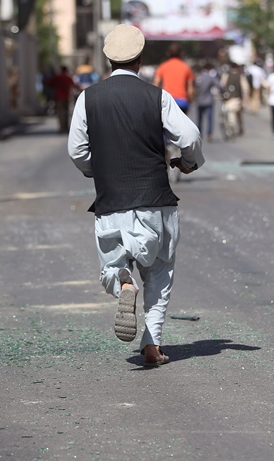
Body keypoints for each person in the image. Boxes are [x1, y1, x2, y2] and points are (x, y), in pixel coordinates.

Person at [68, 24, 204, 368]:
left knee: (113, 268)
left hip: (111, 201)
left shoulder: (88, 98)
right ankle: (152, 343)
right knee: (159, 274)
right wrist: (188, 163)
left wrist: (96, 169)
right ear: (141, 60)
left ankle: (124, 284)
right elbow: (189, 136)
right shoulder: (156, 96)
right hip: (156, 201)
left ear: (108, 59)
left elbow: (76, 150)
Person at [153, 43, 194, 112]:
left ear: (168, 53)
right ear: (181, 54)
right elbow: (190, 90)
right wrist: (189, 102)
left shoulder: (162, 67)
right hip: (182, 102)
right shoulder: (186, 67)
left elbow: (155, 86)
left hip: (167, 102)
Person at [192, 63, 221, 142]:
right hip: (208, 101)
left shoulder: (198, 78)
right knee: (209, 119)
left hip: (199, 101)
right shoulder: (210, 78)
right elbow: (219, 85)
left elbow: (193, 87)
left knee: (199, 119)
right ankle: (209, 134)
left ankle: (199, 134)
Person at [46, 66, 79, 133]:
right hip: (66, 97)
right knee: (66, 113)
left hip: (58, 97)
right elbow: (73, 85)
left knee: (61, 113)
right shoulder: (68, 77)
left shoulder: (58, 77)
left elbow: (49, 83)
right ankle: (66, 127)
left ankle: (62, 128)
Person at [220, 63, 249, 136]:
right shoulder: (240, 76)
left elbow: (222, 85)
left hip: (228, 98)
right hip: (237, 98)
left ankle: (232, 128)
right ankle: (239, 128)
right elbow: (245, 88)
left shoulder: (226, 75)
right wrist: (245, 98)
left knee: (230, 112)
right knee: (237, 114)